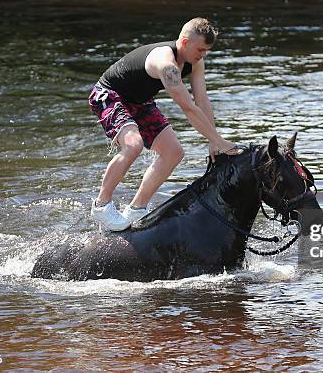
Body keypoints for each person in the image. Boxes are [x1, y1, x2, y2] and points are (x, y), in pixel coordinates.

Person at [88, 17, 238, 231]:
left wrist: (214, 141)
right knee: (133, 144)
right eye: (201, 49)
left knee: (174, 152)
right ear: (185, 42)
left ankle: (136, 209)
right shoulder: (166, 63)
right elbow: (189, 109)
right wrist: (220, 141)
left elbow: (202, 100)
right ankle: (101, 206)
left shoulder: (195, 63)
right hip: (109, 94)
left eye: (206, 51)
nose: (203, 55)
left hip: (139, 101)